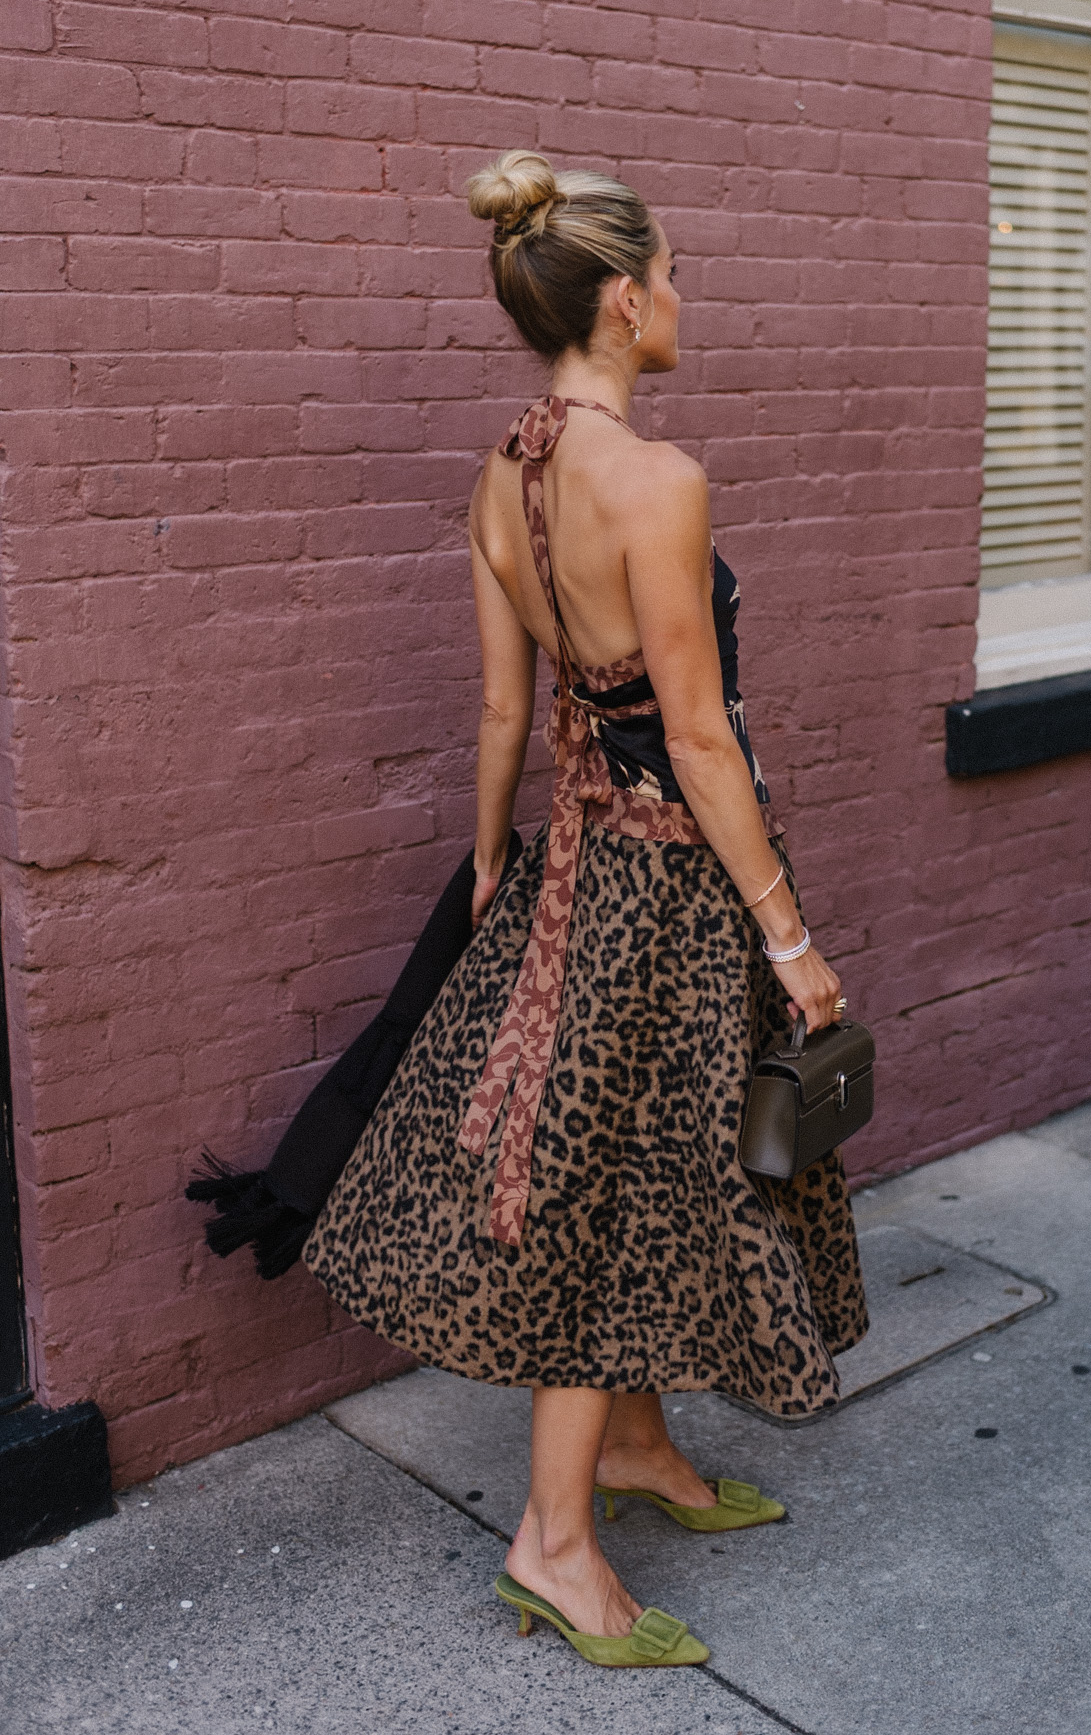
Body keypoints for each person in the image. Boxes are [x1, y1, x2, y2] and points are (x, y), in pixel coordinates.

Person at [303, 150, 868, 1670]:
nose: (683, 298)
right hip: (673, 883)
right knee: (618, 1202)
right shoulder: (659, 480)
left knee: (613, 1162)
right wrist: (790, 937)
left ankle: (636, 1451)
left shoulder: (506, 470)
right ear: (624, 302)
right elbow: (696, 739)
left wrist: (497, 864)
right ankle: (555, 1545)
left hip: (572, 862)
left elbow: (503, 712)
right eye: (672, 273)